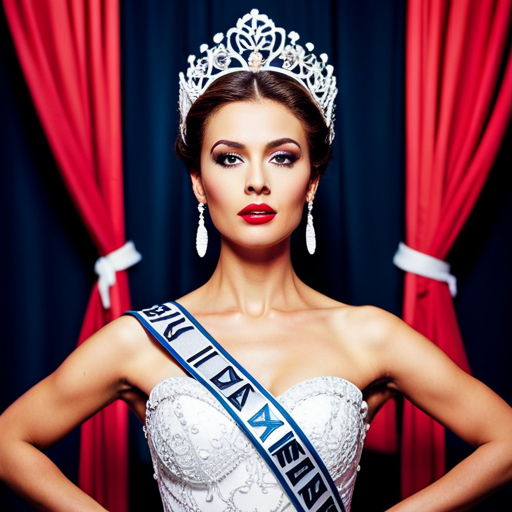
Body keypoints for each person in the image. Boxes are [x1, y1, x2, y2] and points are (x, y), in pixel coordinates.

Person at [1, 9, 512, 512]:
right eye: (229, 157)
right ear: (198, 181)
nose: (256, 180)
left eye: (282, 156)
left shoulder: (369, 336)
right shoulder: (140, 340)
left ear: (311, 180)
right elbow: (9, 441)